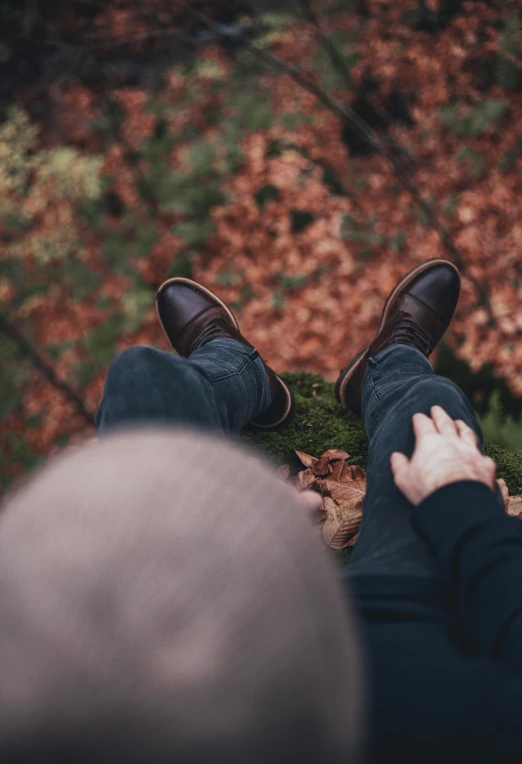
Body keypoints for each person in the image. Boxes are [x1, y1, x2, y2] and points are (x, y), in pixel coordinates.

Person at [2, 257, 522, 762]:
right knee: (430, 406)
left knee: (138, 377)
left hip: (184, 617)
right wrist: (460, 498)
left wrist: (249, 545)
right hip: (397, 631)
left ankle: (241, 372)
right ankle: (394, 361)